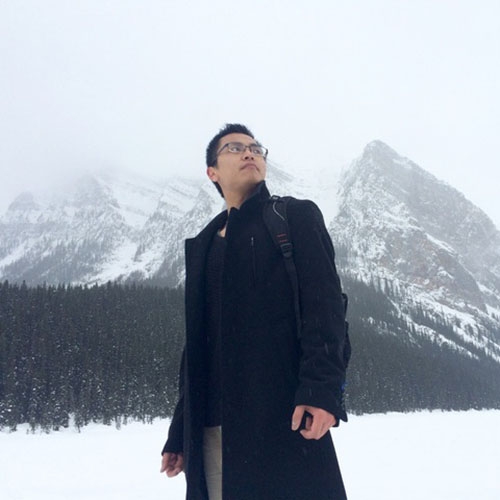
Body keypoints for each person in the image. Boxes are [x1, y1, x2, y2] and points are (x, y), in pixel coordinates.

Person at [160, 123, 348, 500]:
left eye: (256, 148)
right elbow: (197, 347)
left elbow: (325, 306)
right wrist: (181, 429)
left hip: (283, 418)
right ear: (212, 172)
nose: (249, 152)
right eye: (234, 148)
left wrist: (322, 390)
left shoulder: (293, 217)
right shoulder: (203, 246)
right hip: (213, 428)